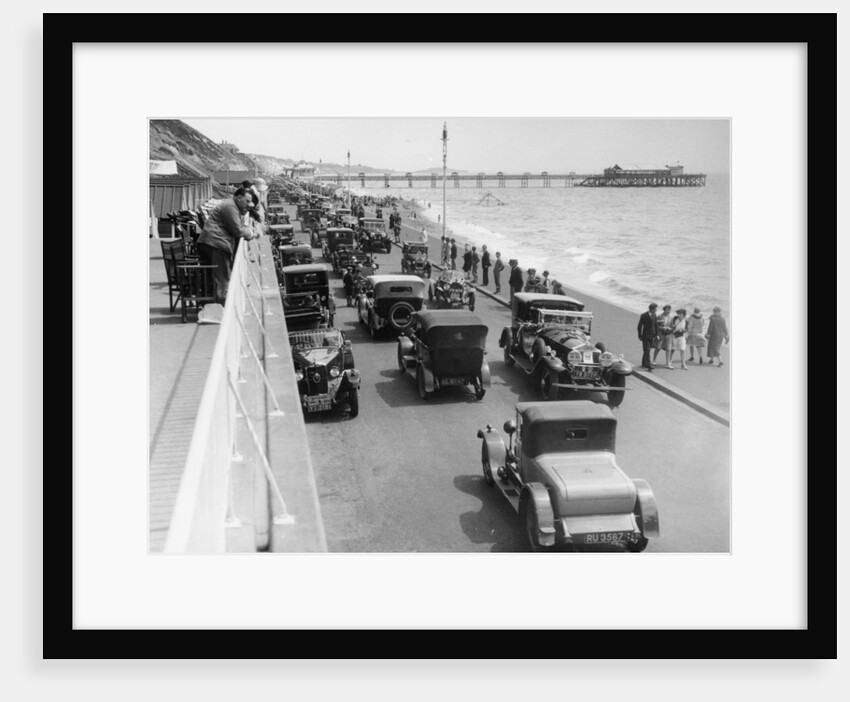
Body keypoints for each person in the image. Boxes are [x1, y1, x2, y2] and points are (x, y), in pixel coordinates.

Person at [196, 188, 259, 305]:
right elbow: (237, 231)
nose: (248, 205)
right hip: (216, 244)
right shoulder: (229, 207)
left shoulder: (233, 207)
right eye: (246, 201)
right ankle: (223, 309)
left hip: (212, 243)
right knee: (223, 278)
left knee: (219, 277)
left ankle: (216, 304)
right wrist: (251, 233)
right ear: (238, 198)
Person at [637, 302, 659, 372]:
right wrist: (640, 335)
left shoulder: (654, 315)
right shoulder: (643, 315)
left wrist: (657, 334)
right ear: (651, 309)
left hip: (652, 336)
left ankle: (644, 363)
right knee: (647, 350)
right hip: (645, 336)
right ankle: (649, 366)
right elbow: (639, 326)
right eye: (655, 309)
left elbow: (656, 325)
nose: (656, 310)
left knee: (647, 350)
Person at [652, 304, 675, 369]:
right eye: (667, 310)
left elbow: (672, 326)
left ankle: (667, 363)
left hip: (668, 335)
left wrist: (671, 328)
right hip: (661, 334)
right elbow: (656, 326)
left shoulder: (671, 318)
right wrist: (663, 328)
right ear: (664, 310)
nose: (668, 311)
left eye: (669, 310)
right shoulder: (659, 316)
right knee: (658, 348)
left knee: (668, 349)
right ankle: (654, 359)